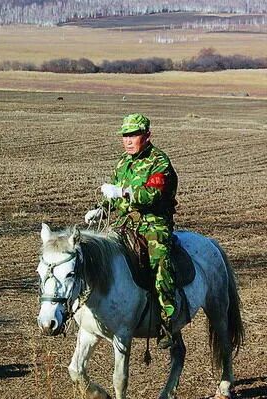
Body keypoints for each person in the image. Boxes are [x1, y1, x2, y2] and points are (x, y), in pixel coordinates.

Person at [85, 113, 178, 349]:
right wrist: (101, 208)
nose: (128, 140)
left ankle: (168, 322)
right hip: (125, 224)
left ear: (147, 136)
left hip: (154, 223)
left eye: (133, 135)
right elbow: (113, 197)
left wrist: (123, 192)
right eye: (125, 135)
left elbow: (152, 195)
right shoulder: (122, 163)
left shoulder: (159, 162)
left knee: (160, 262)